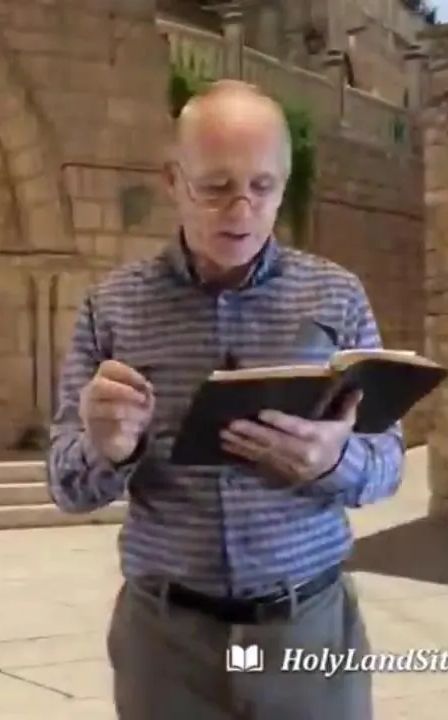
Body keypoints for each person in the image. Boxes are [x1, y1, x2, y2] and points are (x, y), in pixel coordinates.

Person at [47, 80, 406, 719]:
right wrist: (108, 450)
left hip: (308, 632)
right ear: (173, 181)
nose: (240, 210)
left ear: (283, 187)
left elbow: (388, 461)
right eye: (215, 187)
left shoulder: (337, 295)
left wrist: (333, 461)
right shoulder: (113, 308)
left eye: (261, 187)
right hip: (167, 649)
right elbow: (67, 486)